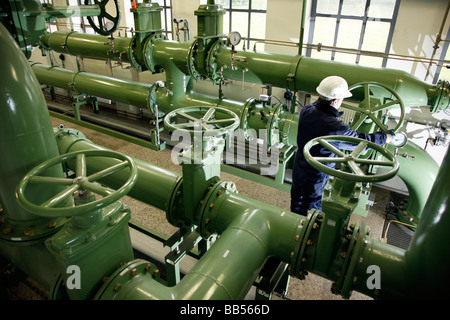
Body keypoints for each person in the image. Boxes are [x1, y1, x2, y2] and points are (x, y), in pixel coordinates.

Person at [290, 75, 392, 215]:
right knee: (311, 211)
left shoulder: (306, 110)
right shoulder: (335, 127)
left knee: (297, 202)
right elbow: (361, 142)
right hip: (316, 178)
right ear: (336, 100)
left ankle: (293, 223)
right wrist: (384, 137)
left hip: (300, 170)